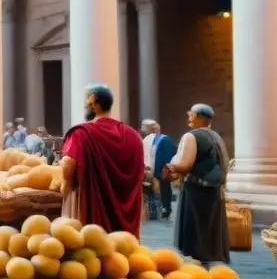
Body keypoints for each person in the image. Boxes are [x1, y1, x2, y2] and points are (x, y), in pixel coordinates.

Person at [59, 84, 144, 235]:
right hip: (127, 218)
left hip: (92, 214)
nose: (85, 105)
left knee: (94, 253)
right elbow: (139, 172)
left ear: (94, 104)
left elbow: (68, 167)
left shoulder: (81, 134)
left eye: (87, 102)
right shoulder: (133, 135)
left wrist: (63, 187)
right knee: (124, 255)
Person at [163, 103, 231, 266]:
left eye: (191, 114)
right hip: (213, 189)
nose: (189, 117)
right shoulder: (216, 137)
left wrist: (171, 167)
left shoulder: (192, 136)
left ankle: (195, 258)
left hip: (195, 190)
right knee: (209, 226)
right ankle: (210, 255)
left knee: (195, 227)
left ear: (199, 117)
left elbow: (185, 164)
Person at [141, 119, 178, 220]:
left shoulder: (147, 140)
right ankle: (165, 208)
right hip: (163, 172)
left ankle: (157, 210)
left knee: (152, 190)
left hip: (153, 172)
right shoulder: (166, 139)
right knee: (163, 187)